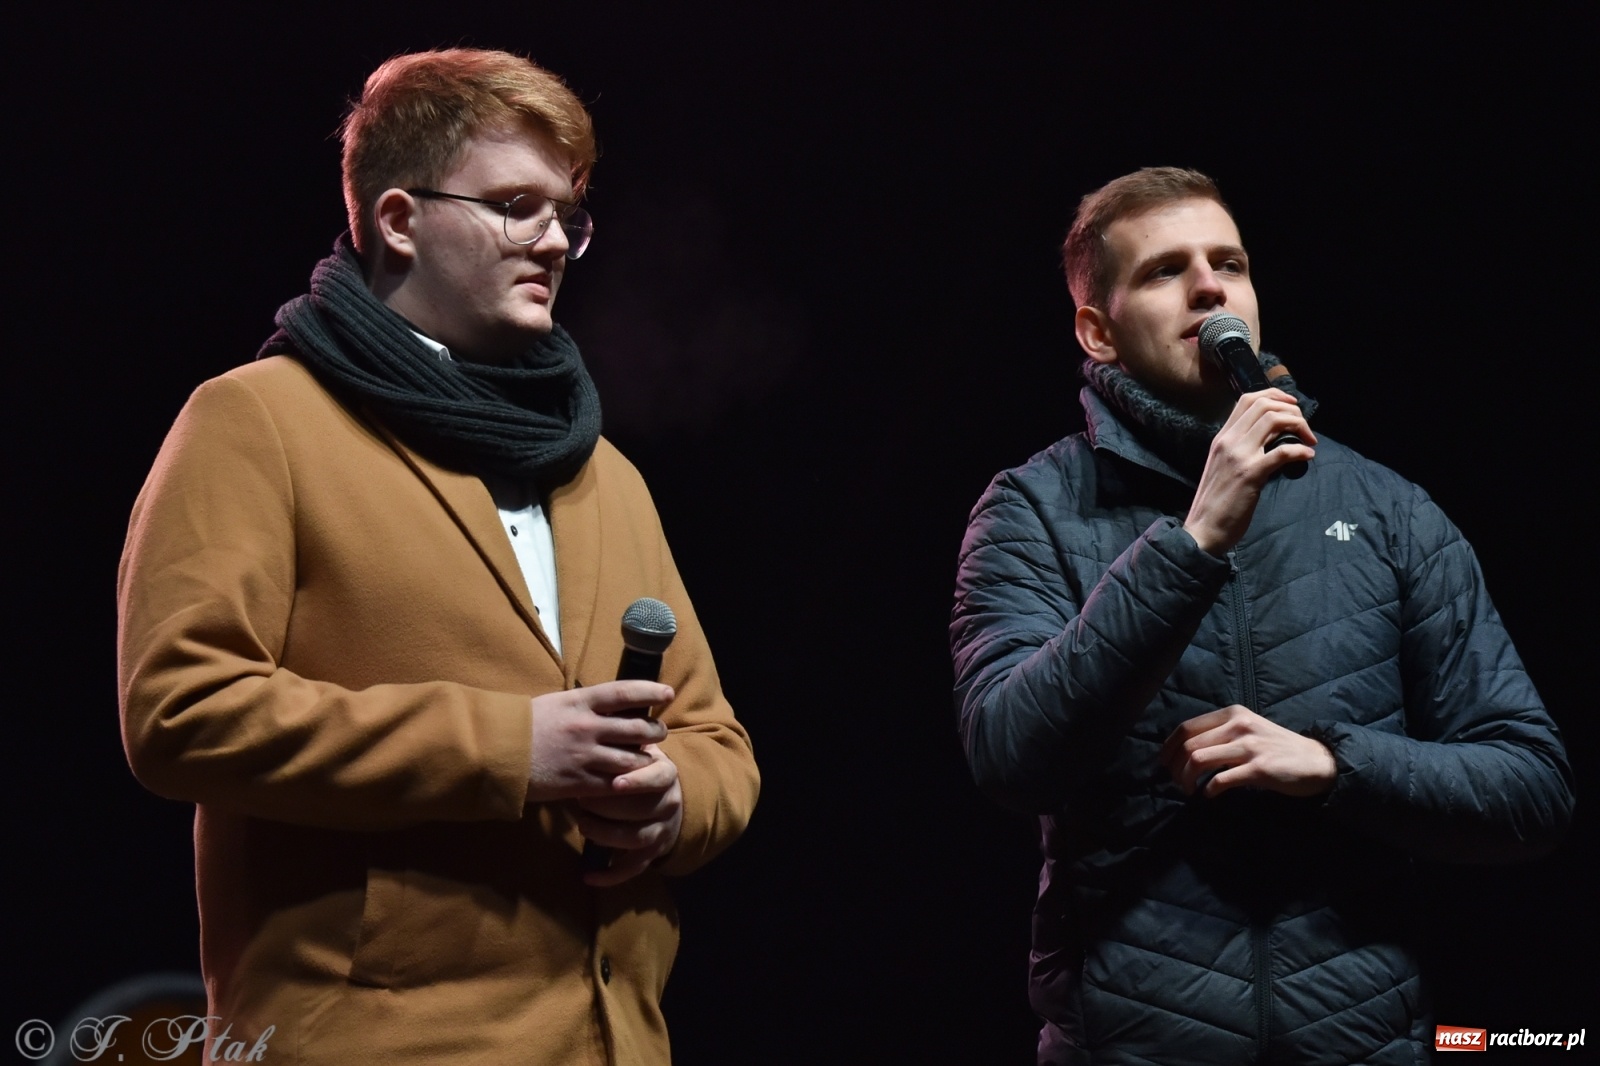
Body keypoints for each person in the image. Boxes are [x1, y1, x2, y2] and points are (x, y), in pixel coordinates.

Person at [117, 48, 758, 1065]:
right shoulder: (256, 422)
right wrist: (510, 748)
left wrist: (673, 799)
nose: (552, 239)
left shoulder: (606, 475)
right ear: (399, 219)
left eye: (568, 215)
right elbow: (179, 712)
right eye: (515, 205)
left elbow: (718, 741)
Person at [950, 167, 1572, 1065]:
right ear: (1099, 330)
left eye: (1228, 263)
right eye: (1167, 271)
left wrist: (1331, 762)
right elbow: (1011, 756)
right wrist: (1193, 540)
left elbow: (1532, 787)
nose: (1210, 284)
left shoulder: (1387, 508)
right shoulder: (1031, 509)